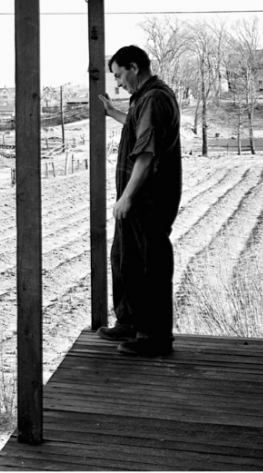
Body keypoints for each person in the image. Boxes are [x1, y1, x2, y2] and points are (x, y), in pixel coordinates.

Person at [96, 45, 182, 357]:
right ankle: (130, 322)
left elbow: (146, 153)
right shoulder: (146, 99)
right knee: (125, 260)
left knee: (149, 267)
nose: (118, 83)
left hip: (148, 201)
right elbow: (137, 130)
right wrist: (112, 112)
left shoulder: (154, 98)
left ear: (134, 67)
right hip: (138, 202)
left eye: (119, 75)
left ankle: (154, 338)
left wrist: (127, 197)